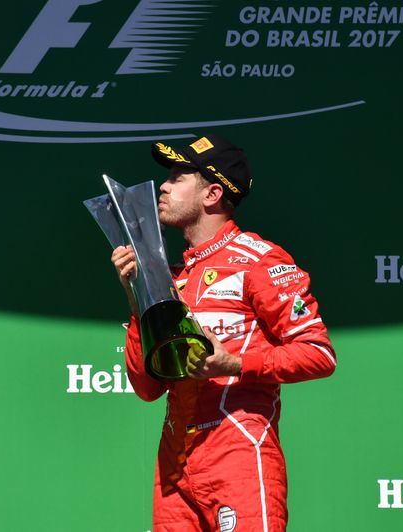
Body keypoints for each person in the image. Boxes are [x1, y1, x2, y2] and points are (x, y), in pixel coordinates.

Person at [110, 135, 336, 531]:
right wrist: (135, 298)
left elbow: (319, 354)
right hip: (175, 464)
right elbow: (147, 388)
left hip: (238, 454)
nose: (163, 185)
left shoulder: (258, 260)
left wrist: (234, 363)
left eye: (179, 176)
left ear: (212, 193)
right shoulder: (170, 278)